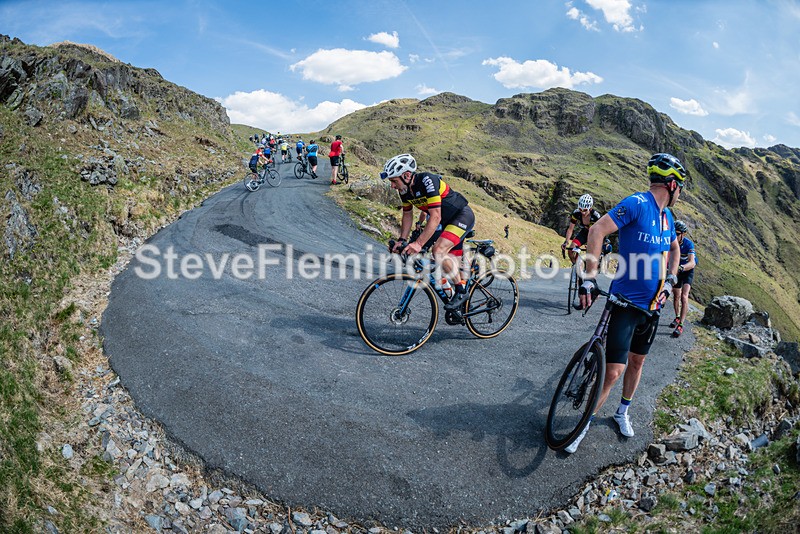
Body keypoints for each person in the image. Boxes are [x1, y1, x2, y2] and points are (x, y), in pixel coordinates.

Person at [566, 153, 687, 454]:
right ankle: (584, 424)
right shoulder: (637, 203)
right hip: (625, 303)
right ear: (672, 185)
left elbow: (675, 249)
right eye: (680, 187)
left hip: (654, 307)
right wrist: (590, 278)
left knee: (637, 363)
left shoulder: (668, 217)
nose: (680, 193)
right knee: (612, 372)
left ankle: (622, 412)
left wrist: (671, 280)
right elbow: (597, 230)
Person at [381, 154, 475, 312]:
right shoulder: (404, 190)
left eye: (394, 181)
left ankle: (461, 292)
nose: (392, 186)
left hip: (461, 216)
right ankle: (465, 306)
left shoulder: (427, 180)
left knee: (438, 251)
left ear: (407, 175)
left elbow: (435, 216)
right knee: (442, 264)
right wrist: (402, 239)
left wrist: (418, 244)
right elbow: (407, 214)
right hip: (445, 223)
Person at [670, 219, 696, 338]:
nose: (675, 235)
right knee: (676, 296)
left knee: (684, 296)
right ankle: (677, 317)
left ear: (683, 234)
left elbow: (692, 263)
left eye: (678, 233)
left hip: (687, 271)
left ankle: (681, 324)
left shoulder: (688, 244)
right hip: (678, 270)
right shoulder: (671, 242)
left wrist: (682, 267)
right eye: (673, 233)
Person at [562, 194, 602, 265]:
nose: (583, 212)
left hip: (595, 234)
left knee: (590, 256)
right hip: (584, 233)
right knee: (570, 250)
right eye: (580, 209)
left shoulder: (596, 216)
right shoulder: (576, 213)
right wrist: (566, 242)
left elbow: (600, 232)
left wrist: (592, 243)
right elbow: (570, 229)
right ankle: (576, 267)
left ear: (590, 208)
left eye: (585, 210)